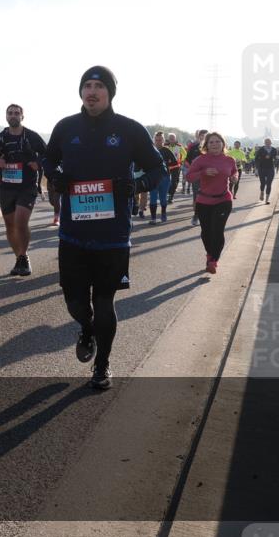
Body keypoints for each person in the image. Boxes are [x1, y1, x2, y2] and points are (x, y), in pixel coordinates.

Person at [44, 66, 167, 390]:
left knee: (104, 302)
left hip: (113, 235)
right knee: (75, 303)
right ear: (80, 92)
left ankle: (102, 365)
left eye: (99, 85)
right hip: (73, 233)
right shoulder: (66, 127)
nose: (92, 91)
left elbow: (158, 168)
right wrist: (56, 177)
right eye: (87, 85)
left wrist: (137, 184)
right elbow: (48, 160)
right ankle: (86, 329)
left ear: (110, 92)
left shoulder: (128, 129)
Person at [0, 104, 48, 276]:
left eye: (16, 113)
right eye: (10, 113)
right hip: (7, 186)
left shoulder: (31, 136)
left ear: (23, 116)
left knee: (21, 222)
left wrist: (38, 163)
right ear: (6, 116)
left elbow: (48, 153)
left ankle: (23, 256)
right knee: (10, 225)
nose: (13, 116)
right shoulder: (2, 137)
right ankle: (19, 258)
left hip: (27, 186)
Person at [183, 132, 237, 274]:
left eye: (217, 141)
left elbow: (234, 172)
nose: (214, 144)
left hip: (223, 200)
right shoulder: (201, 160)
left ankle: (213, 261)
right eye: (211, 142)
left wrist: (234, 177)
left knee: (217, 231)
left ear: (223, 144)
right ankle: (209, 254)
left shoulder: (229, 160)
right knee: (206, 232)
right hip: (204, 201)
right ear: (206, 145)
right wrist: (203, 172)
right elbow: (188, 176)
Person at [149, 131, 177, 224]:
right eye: (156, 140)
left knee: (163, 198)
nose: (158, 142)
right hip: (153, 178)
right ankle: (153, 218)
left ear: (164, 140)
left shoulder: (167, 150)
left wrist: (167, 166)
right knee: (153, 197)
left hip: (165, 178)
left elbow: (175, 164)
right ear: (153, 140)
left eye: (160, 140)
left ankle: (163, 214)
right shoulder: (150, 150)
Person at [186, 130, 208, 225]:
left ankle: (205, 214)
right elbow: (187, 160)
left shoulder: (211, 147)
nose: (203, 138)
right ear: (198, 137)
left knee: (208, 195)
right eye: (201, 136)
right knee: (197, 196)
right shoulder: (194, 147)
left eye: (205, 136)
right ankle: (196, 216)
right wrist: (191, 168)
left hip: (210, 177)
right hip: (197, 176)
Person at [252, 138, 279, 204]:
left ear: (271, 143)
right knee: (263, 183)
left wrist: (276, 158)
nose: (268, 143)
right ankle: (262, 192)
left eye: (269, 142)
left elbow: (276, 158)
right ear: (264, 143)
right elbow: (256, 159)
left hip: (270, 168)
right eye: (266, 142)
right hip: (262, 168)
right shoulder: (261, 149)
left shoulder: (274, 150)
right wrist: (256, 169)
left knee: (269, 184)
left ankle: (267, 199)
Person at [166, 134, 187, 203]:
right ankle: (169, 192)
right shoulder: (165, 146)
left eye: (173, 138)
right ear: (168, 139)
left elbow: (185, 154)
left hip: (176, 167)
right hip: (167, 167)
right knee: (167, 181)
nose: (172, 140)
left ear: (175, 139)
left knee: (174, 182)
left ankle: (171, 196)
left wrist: (180, 160)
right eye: (170, 138)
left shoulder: (179, 147)